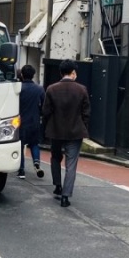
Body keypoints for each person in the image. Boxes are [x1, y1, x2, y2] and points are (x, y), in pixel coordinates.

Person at [42, 59, 90, 207]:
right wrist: (83, 126)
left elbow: (46, 112)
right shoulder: (82, 89)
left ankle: (57, 185)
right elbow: (86, 112)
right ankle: (65, 196)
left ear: (61, 72)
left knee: (55, 158)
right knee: (71, 164)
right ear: (73, 73)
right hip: (75, 132)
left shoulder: (51, 89)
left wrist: (47, 127)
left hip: (56, 131)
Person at [17, 64, 45, 179]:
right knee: (34, 144)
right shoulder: (39, 89)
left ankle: (21, 170)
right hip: (35, 121)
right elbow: (44, 106)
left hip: (20, 122)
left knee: (20, 145)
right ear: (33, 75)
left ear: (22, 75)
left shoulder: (19, 89)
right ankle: (36, 163)